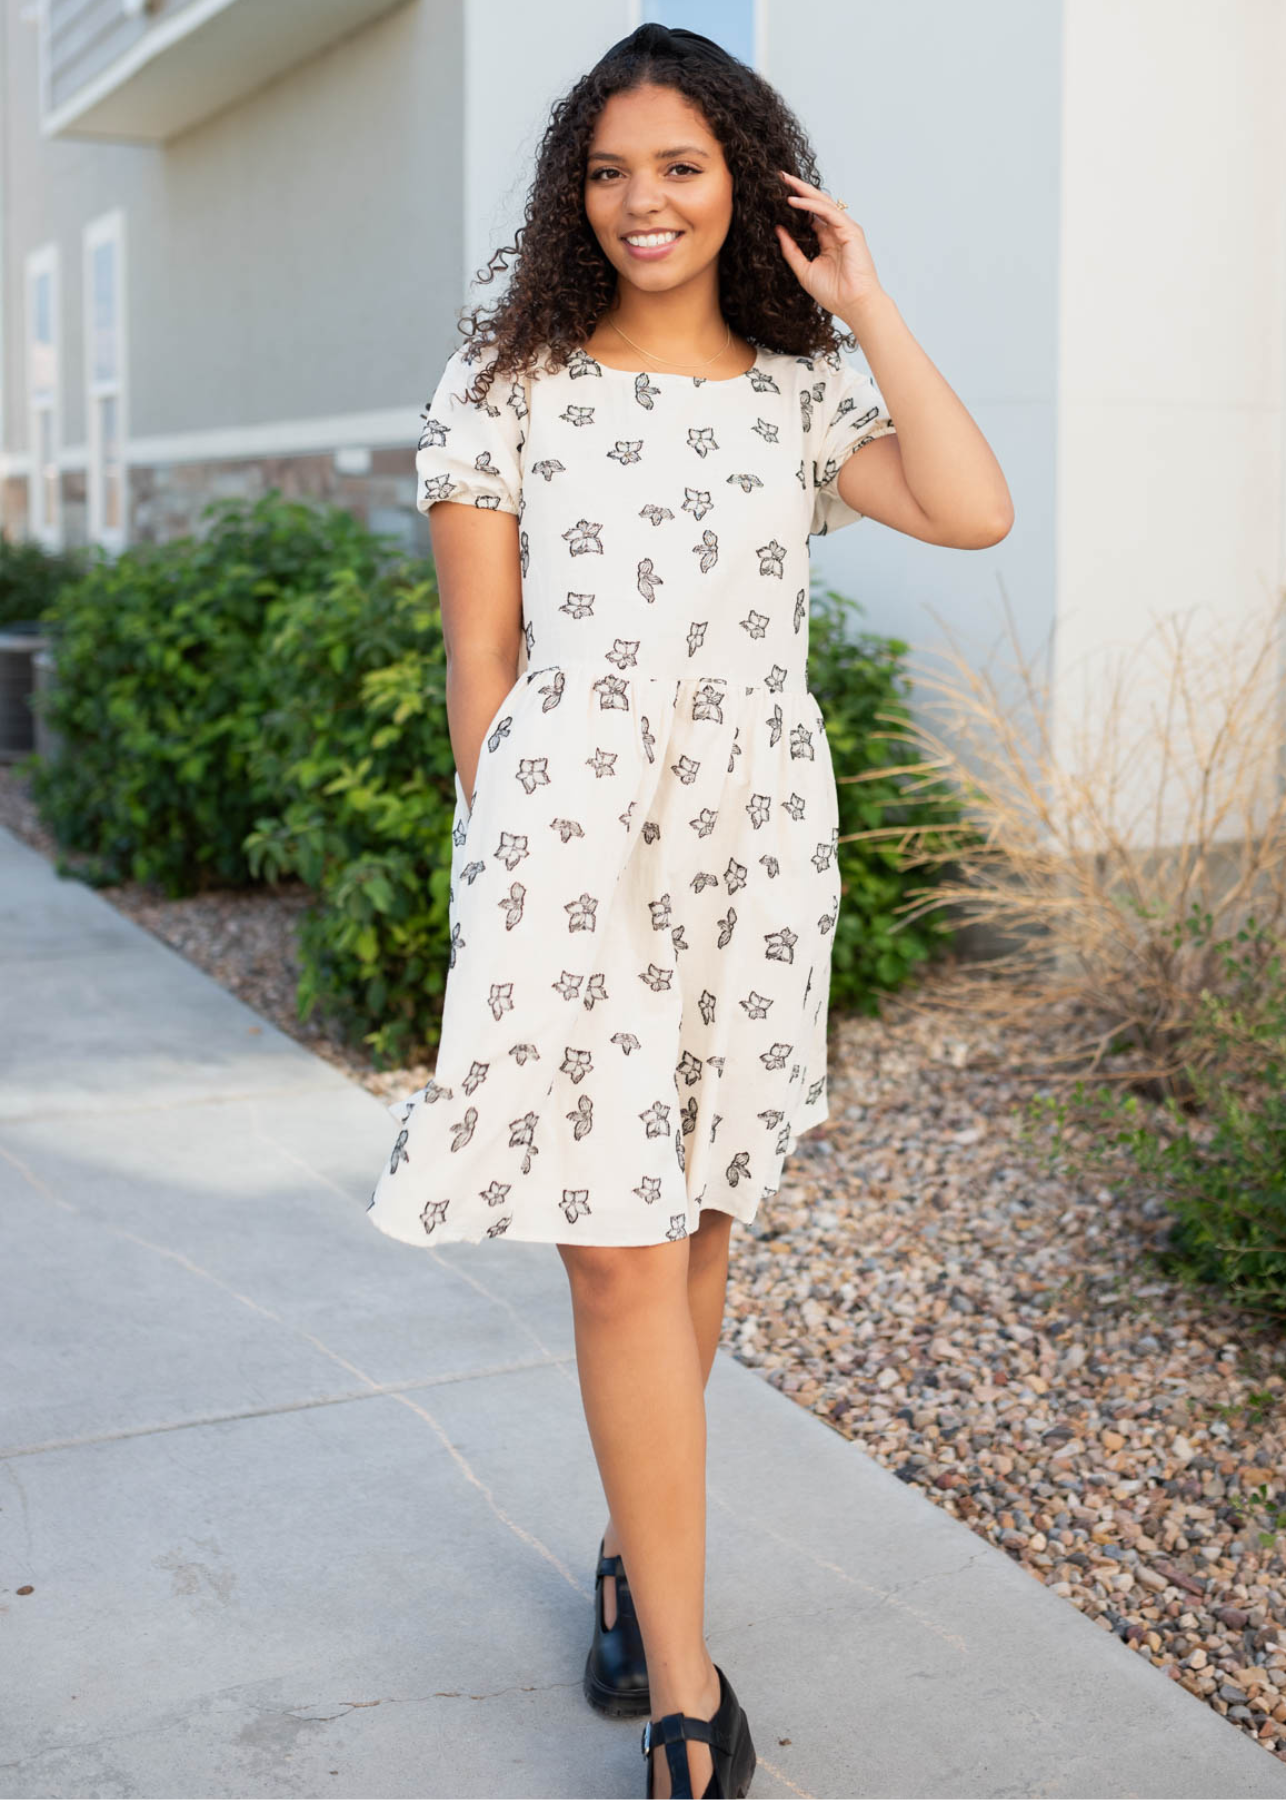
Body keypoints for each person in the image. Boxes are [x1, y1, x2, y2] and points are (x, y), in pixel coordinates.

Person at [366, 23, 1012, 1798]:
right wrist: (509, 873)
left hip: (749, 845)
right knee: (612, 1245)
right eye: (608, 170)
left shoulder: (798, 394)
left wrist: (862, 296)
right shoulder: (509, 385)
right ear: (575, 196)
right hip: (566, 845)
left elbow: (971, 508)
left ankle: (627, 1550)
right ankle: (682, 1696)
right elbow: (480, 662)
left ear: (745, 183)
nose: (641, 201)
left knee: (702, 1220)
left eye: (679, 166)